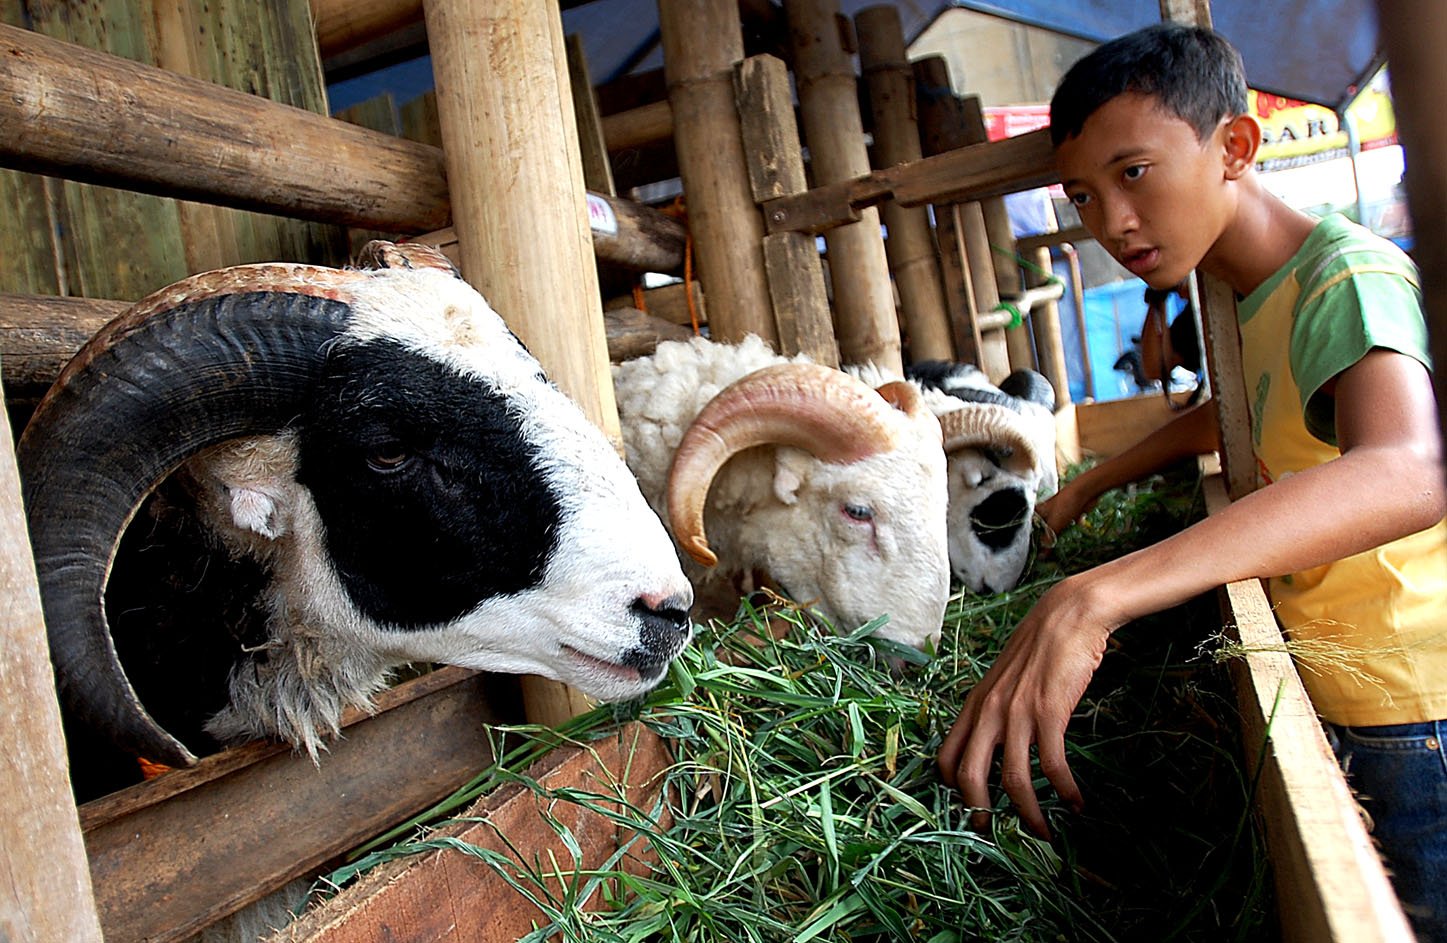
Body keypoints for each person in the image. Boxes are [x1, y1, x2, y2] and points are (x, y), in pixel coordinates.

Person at [936, 22, 1447, 939]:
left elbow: (1407, 468)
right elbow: (1230, 418)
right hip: (1337, 683)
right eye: (1084, 195)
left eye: (1133, 172)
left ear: (1235, 148)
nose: (1110, 221)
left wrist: (1096, 596)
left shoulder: (1345, 276)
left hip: (1412, 709)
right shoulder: (1251, 296)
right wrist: (1081, 493)